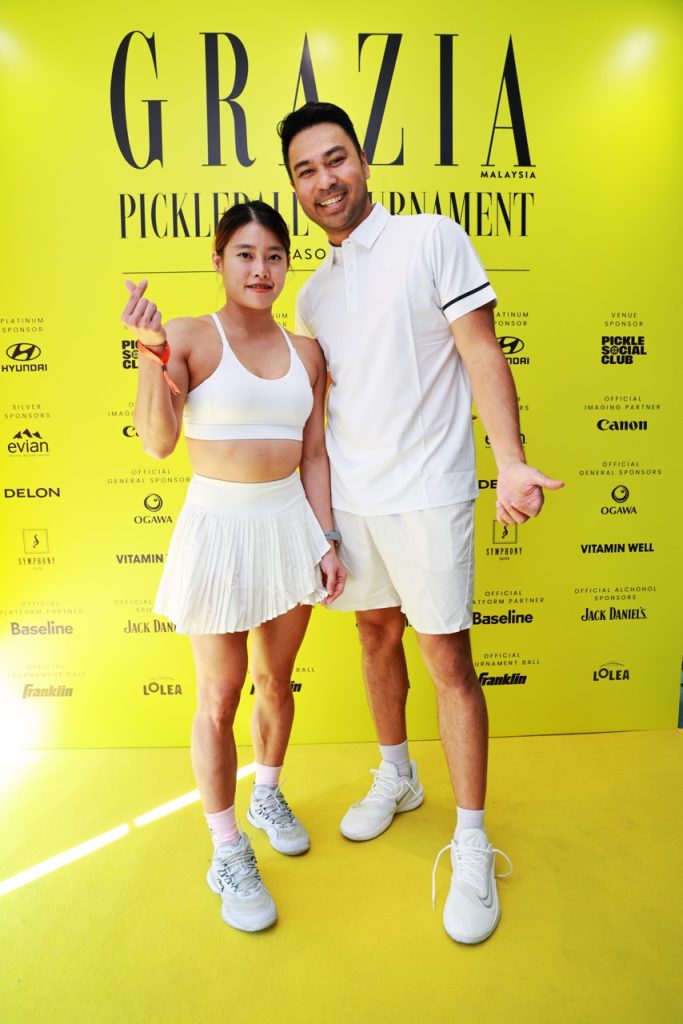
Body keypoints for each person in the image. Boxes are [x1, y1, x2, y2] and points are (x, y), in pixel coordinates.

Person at [277, 102, 564, 945]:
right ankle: (397, 775)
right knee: (373, 637)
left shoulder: (432, 237)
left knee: (447, 663)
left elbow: (480, 349)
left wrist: (510, 460)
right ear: (295, 188)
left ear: (362, 161)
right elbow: (316, 415)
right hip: (354, 501)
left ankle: (470, 840)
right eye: (305, 170)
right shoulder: (311, 295)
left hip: (430, 493)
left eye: (335, 159)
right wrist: (316, 519)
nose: (324, 180)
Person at [120, 200, 345, 933]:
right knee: (218, 699)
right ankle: (226, 848)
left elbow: (315, 455)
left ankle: (267, 793)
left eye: (274, 255)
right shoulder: (187, 335)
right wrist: (150, 352)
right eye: (244, 254)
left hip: (289, 527)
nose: (260, 269)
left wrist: (326, 538)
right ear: (218, 261)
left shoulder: (307, 353)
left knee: (275, 681)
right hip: (217, 531)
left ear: (287, 264)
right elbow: (157, 442)